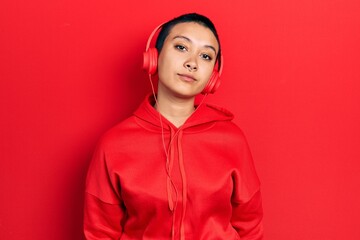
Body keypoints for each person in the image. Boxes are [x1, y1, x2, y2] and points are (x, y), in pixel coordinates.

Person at [84, 13, 264, 240]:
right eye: (181, 47)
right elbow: (100, 232)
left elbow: (250, 226)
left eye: (206, 56)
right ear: (153, 57)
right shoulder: (113, 144)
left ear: (213, 77)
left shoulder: (232, 139)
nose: (193, 63)